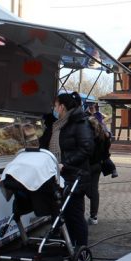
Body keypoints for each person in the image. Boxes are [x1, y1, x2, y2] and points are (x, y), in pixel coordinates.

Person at [40, 92, 94, 249]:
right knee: (62, 214)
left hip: (75, 175)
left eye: (56, 106)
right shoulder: (58, 125)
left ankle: (81, 249)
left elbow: (87, 148)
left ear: (62, 107)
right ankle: (68, 247)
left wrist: (65, 163)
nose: (54, 109)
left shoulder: (79, 122)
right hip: (59, 176)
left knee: (74, 215)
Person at [86, 115, 112, 225]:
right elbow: (107, 150)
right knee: (94, 189)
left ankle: (90, 214)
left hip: (88, 165)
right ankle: (94, 216)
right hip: (98, 165)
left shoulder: (89, 136)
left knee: (86, 189)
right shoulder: (103, 135)